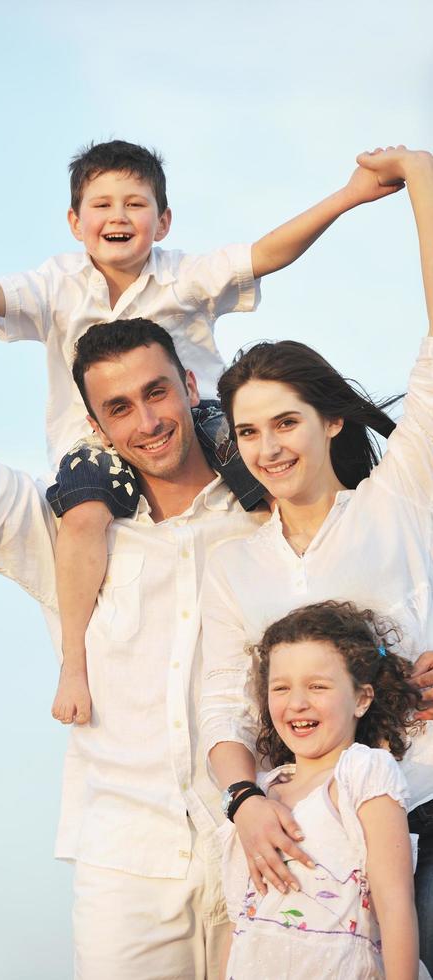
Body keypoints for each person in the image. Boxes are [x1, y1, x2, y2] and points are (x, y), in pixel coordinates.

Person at [0, 139, 402, 729]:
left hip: (206, 421)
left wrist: (350, 196)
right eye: (101, 205)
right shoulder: (56, 285)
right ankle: (75, 660)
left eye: (135, 203)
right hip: (90, 447)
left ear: (163, 219)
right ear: (74, 223)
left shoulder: (184, 274)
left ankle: (349, 632)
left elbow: (267, 252)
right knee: (82, 518)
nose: (118, 217)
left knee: (284, 500)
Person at [0, 246, 278, 977]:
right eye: (119, 408)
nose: (149, 420)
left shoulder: (271, 514)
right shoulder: (64, 531)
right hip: (125, 862)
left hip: (267, 842)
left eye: (159, 392)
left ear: (191, 385)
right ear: (95, 424)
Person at [199, 145, 433, 971]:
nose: (267, 446)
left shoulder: (398, 499)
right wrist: (243, 805)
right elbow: (225, 712)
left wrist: (421, 179)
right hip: (308, 838)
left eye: (286, 422)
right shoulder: (234, 568)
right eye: (249, 431)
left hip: (426, 806)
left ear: (331, 422)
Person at [217, 600, 428, 980]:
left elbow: (396, 906)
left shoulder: (362, 774)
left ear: (362, 699)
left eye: (317, 686)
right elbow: (241, 926)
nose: (297, 702)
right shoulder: (262, 797)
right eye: (280, 687)